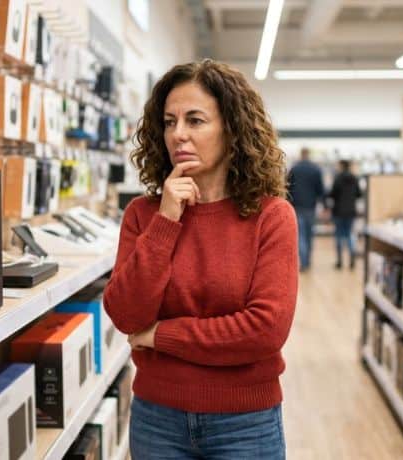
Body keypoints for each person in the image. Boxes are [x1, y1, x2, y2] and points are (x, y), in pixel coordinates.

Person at [103, 60, 297, 460]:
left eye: (195, 120)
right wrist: (167, 219)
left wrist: (160, 336)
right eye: (170, 121)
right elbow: (126, 314)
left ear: (231, 129)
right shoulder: (143, 215)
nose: (179, 135)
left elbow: (264, 330)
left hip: (246, 424)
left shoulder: (271, 216)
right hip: (157, 421)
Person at [286, 148, 325, 272]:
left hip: (296, 206)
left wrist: (287, 203)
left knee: (300, 235)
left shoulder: (294, 168)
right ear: (309, 154)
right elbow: (320, 189)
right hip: (310, 206)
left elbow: (287, 187)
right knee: (309, 235)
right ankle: (308, 260)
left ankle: (303, 262)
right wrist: (324, 204)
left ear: (301, 154)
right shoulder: (316, 169)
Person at [326, 160, 362, 270]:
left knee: (339, 236)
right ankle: (352, 260)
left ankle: (340, 261)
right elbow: (359, 194)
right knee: (350, 235)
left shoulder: (337, 178)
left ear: (341, 166)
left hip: (339, 211)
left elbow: (332, 194)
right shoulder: (355, 178)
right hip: (351, 211)